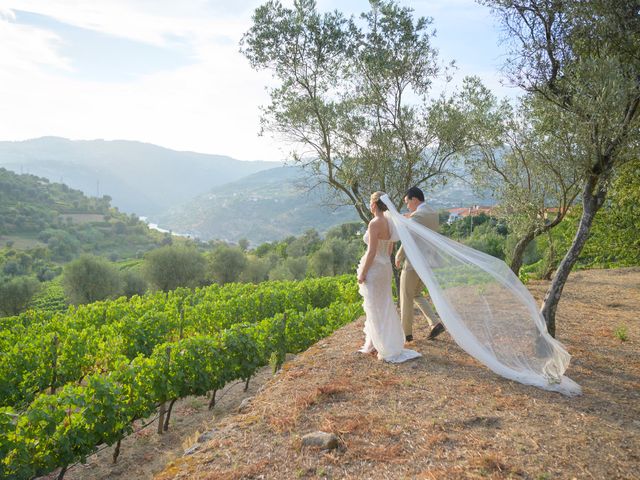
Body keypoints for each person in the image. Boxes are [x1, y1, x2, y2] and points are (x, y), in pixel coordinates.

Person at [356, 191, 421, 363]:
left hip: (375, 268)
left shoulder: (374, 223)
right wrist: (384, 260)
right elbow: (390, 249)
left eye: (370, 203)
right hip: (385, 267)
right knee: (384, 304)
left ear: (374, 204)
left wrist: (363, 272)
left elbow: (371, 252)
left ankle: (379, 344)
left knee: (374, 306)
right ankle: (373, 343)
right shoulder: (390, 223)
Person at [395, 186, 445, 342]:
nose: (407, 206)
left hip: (413, 263)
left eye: (407, 202)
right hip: (429, 262)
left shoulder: (417, 216)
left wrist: (399, 255)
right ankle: (434, 323)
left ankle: (406, 334)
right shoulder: (432, 213)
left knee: (406, 297)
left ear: (414, 199)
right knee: (416, 294)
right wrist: (410, 216)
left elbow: (409, 237)